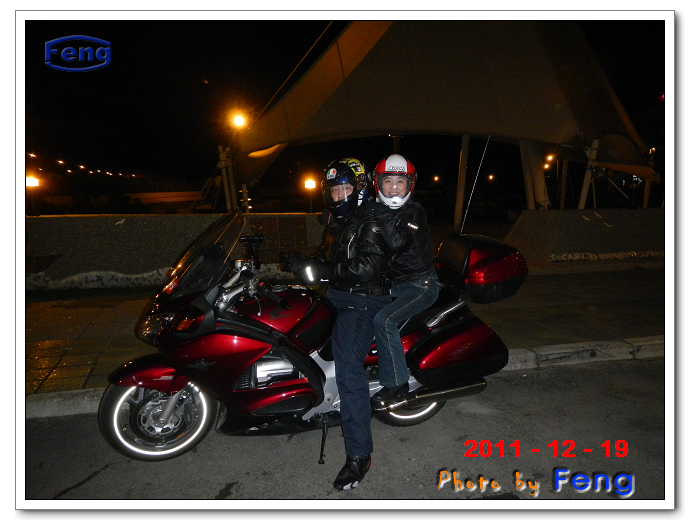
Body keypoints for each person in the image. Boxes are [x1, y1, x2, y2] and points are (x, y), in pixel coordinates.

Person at [283, 158, 391, 491]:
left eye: (345, 188)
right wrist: (306, 262)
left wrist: (322, 270)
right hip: (341, 292)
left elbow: (367, 267)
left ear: (359, 189)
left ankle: (359, 454)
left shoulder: (372, 219)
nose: (339, 195)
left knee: (348, 367)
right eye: (333, 190)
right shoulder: (337, 220)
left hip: (364, 300)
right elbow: (330, 255)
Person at [370, 154, 440, 408]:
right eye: (388, 181)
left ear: (410, 184)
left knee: (385, 320)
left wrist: (379, 211)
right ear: (378, 183)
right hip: (396, 283)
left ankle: (397, 383)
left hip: (421, 285)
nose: (393, 187)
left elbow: (398, 242)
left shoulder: (414, 212)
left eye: (400, 181)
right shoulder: (378, 210)